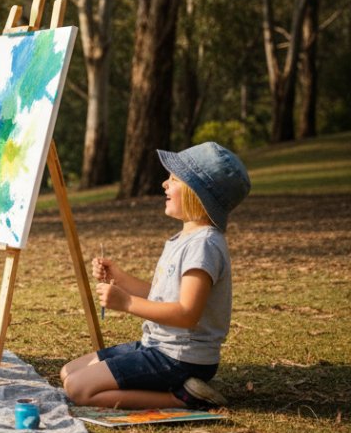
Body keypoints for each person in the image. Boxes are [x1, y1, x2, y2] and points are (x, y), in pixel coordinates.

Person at [60, 142, 251, 409]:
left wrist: (126, 303)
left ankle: (183, 397)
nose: (164, 184)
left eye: (174, 179)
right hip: (156, 347)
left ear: (198, 193)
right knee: (68, 373)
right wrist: (119, 277)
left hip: (179, 358)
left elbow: (187, 314)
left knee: (79, 390)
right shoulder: (185, 239)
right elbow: (162, 296)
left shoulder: (204, 245)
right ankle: (175, 388)